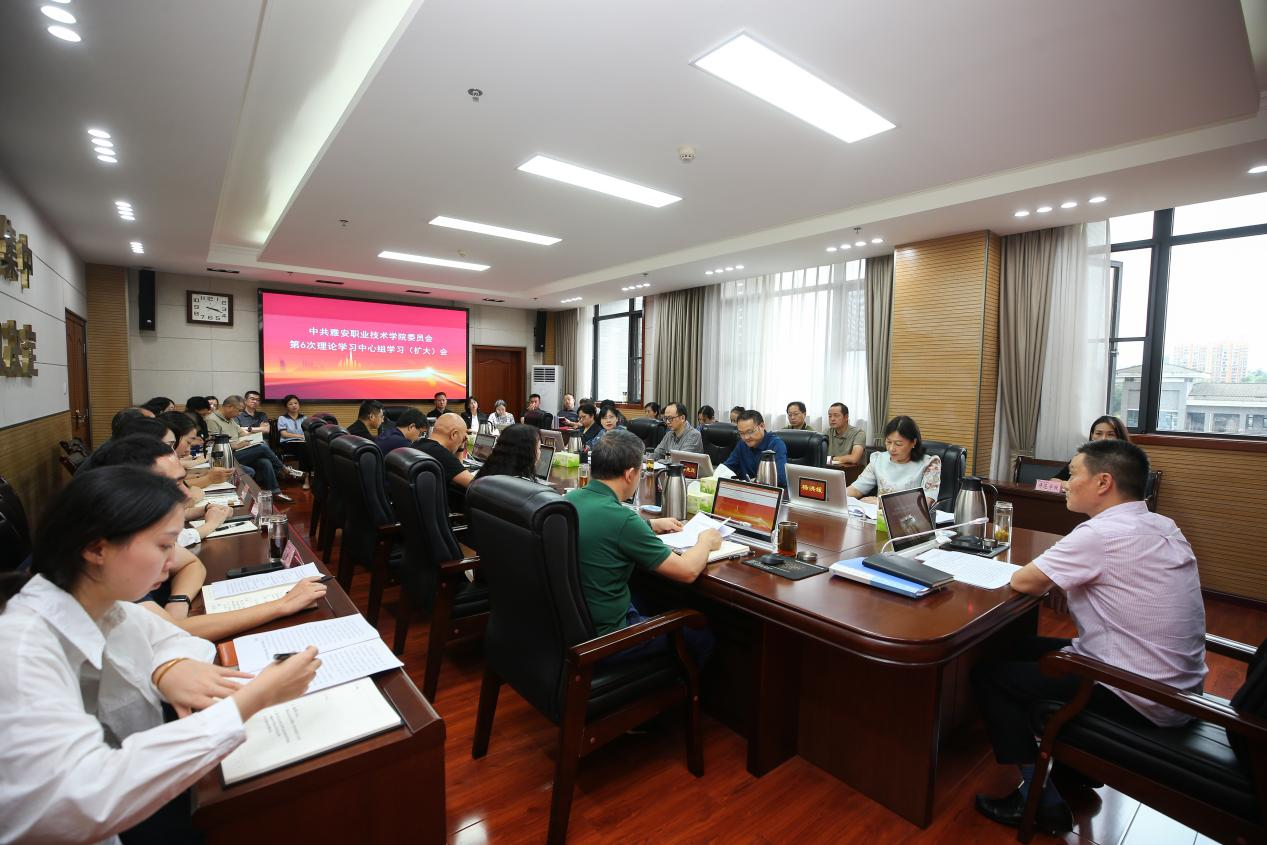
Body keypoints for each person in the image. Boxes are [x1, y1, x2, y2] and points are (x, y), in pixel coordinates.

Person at [0, 467, 320, 844]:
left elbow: (167, 636)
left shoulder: (99, 601)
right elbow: (84, 799)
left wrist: (167, 667)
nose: (171, 562)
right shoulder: (19, 650)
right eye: (164, 545)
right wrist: (254, 699)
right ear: (96, 549)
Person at [972, 439, 1206, 834]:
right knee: (1015, 647)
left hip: (1135, 692)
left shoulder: (1100, 533)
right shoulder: (1161, 524)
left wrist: (1057, 582)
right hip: (1176, 687)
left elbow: (1024, 581)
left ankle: (1041, 803)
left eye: (1073, 474)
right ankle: (1074, 767)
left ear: (1103, 482)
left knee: (990, 675)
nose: (1064, 483)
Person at [565, 430, 720, 665]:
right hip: (606, 641)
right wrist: (706, 540)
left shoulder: (569, 500)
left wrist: (649, 525)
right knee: (701, 636)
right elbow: (687, 571)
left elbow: (605, 530)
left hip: (572, 627)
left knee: (648, 596)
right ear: (630, 474)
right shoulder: (623, 520)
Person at [205, 395, 299, 501]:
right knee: (262, 448)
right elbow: (214, 445)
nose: (239, 414)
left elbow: (242, 433)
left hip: (239, 451)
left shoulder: (230, 419)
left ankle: (275, 492)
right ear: (229, 406)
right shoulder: (212, 420)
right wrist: (237, 445)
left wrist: (254, 438)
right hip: (227, 456)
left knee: (265, 461)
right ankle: (283, 469)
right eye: (239, 410)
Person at [847, 415, 940, 508]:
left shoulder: (930, 464)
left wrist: (882, 503)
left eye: (898, 444)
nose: (891, 448)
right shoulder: (878, 459)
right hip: (878, 516)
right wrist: (840, 496)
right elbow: (856, 489)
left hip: (909, 516)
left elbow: (927, 502)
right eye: (888, 442)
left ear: (913, 442)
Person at [1053, 415, 1130, 481]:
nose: (1103, 438)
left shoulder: (1128, 462)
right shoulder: (1082, 457)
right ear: (1092, 435)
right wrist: (1066, 484)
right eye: (1098, 433)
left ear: (1119, 437)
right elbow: (1054, 480)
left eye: (1110, 434)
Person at [723, 410, 788, 487]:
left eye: (750, 432)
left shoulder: (776, 444)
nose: (746, 437)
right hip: (745, 490)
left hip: (767, 492)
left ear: (762, 426)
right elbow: (727, 467)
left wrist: (754, 481)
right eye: (741, 433)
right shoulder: (742, 444)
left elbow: (780, 479)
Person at [413, 412, 476, 490]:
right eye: (462, 437)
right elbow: (475, 485)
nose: (462, 441)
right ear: (454, 434)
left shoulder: (418, 444)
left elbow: (458, 469)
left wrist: (460, 447)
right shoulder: (442, 455)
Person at [474, 423, 539, 480]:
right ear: (526, 453)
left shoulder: (484, 475)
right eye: (538, 448)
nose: (540, 452)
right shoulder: (528, 487)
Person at [276, 394, 311, 486]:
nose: (294, 405)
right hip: (288, 443)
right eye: (290, 404)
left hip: (302, 443)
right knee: (305, 449)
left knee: (307, 448)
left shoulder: (304, 418)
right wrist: (300, 436)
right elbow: (284, 434)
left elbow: (308, 433)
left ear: (299, 405)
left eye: (296, 403)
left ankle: (305, 476)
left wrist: (303, 438)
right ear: (286, 406)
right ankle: (306, 478)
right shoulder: (282, 418)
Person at [826, 402, 866, 468]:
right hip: (831, 470)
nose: (832, 419)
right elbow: (819, 455)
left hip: (853, 471)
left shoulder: (859, 434)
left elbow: (854, 458)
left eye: (836, 415)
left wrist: (831, 458)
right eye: (830, 416)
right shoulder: (827, 432)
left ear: (846, 417)